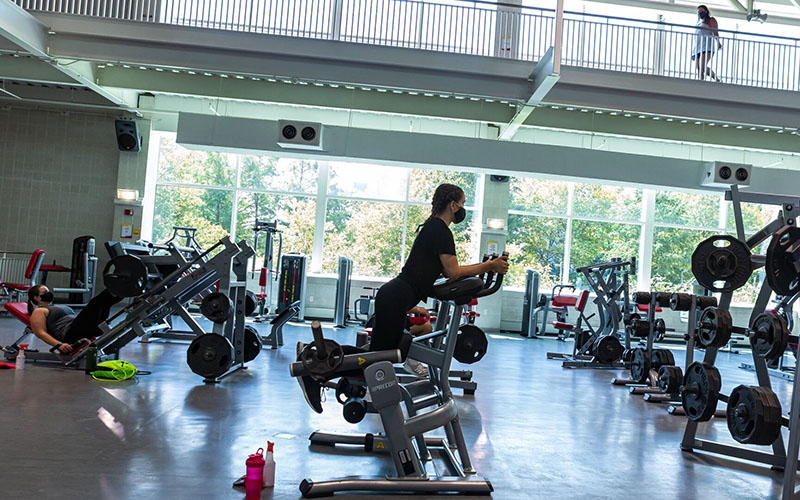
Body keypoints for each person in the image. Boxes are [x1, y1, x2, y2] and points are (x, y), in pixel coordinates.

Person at [297, 183, 509, 412]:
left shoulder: (433, 228)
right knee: (378, 360)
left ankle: (313, 363)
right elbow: (453, 272)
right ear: (453, 205)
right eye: (463, 204)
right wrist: (489, 265)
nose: (463, 209)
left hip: (396, 297)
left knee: (377, 357)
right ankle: (311, 368)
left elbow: (434, 274)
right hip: (395, 298)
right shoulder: (440, 230)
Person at [27, 285, 123, 354]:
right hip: (71, 333)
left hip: (81, 327)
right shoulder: (38, 311)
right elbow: (40, 333)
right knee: (96, 302)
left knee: (106, 302)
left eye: (48, 292)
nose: (48, 294)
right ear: (36, 298)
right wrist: (59, 345)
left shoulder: (53, 306)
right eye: (44, 293)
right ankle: (122, 286)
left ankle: (125, 290)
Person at [693, 5, 722, 82]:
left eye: (702, 11)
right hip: (698, 47)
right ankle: (701, 82)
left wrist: (718, 42)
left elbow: (715, 31)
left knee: (702, 66)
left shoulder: (711, 20)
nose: (700, 13)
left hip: (707, 47)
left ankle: (717, 79)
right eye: (698, 12)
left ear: (706, 11)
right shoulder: (699, 22)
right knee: (699, 68)